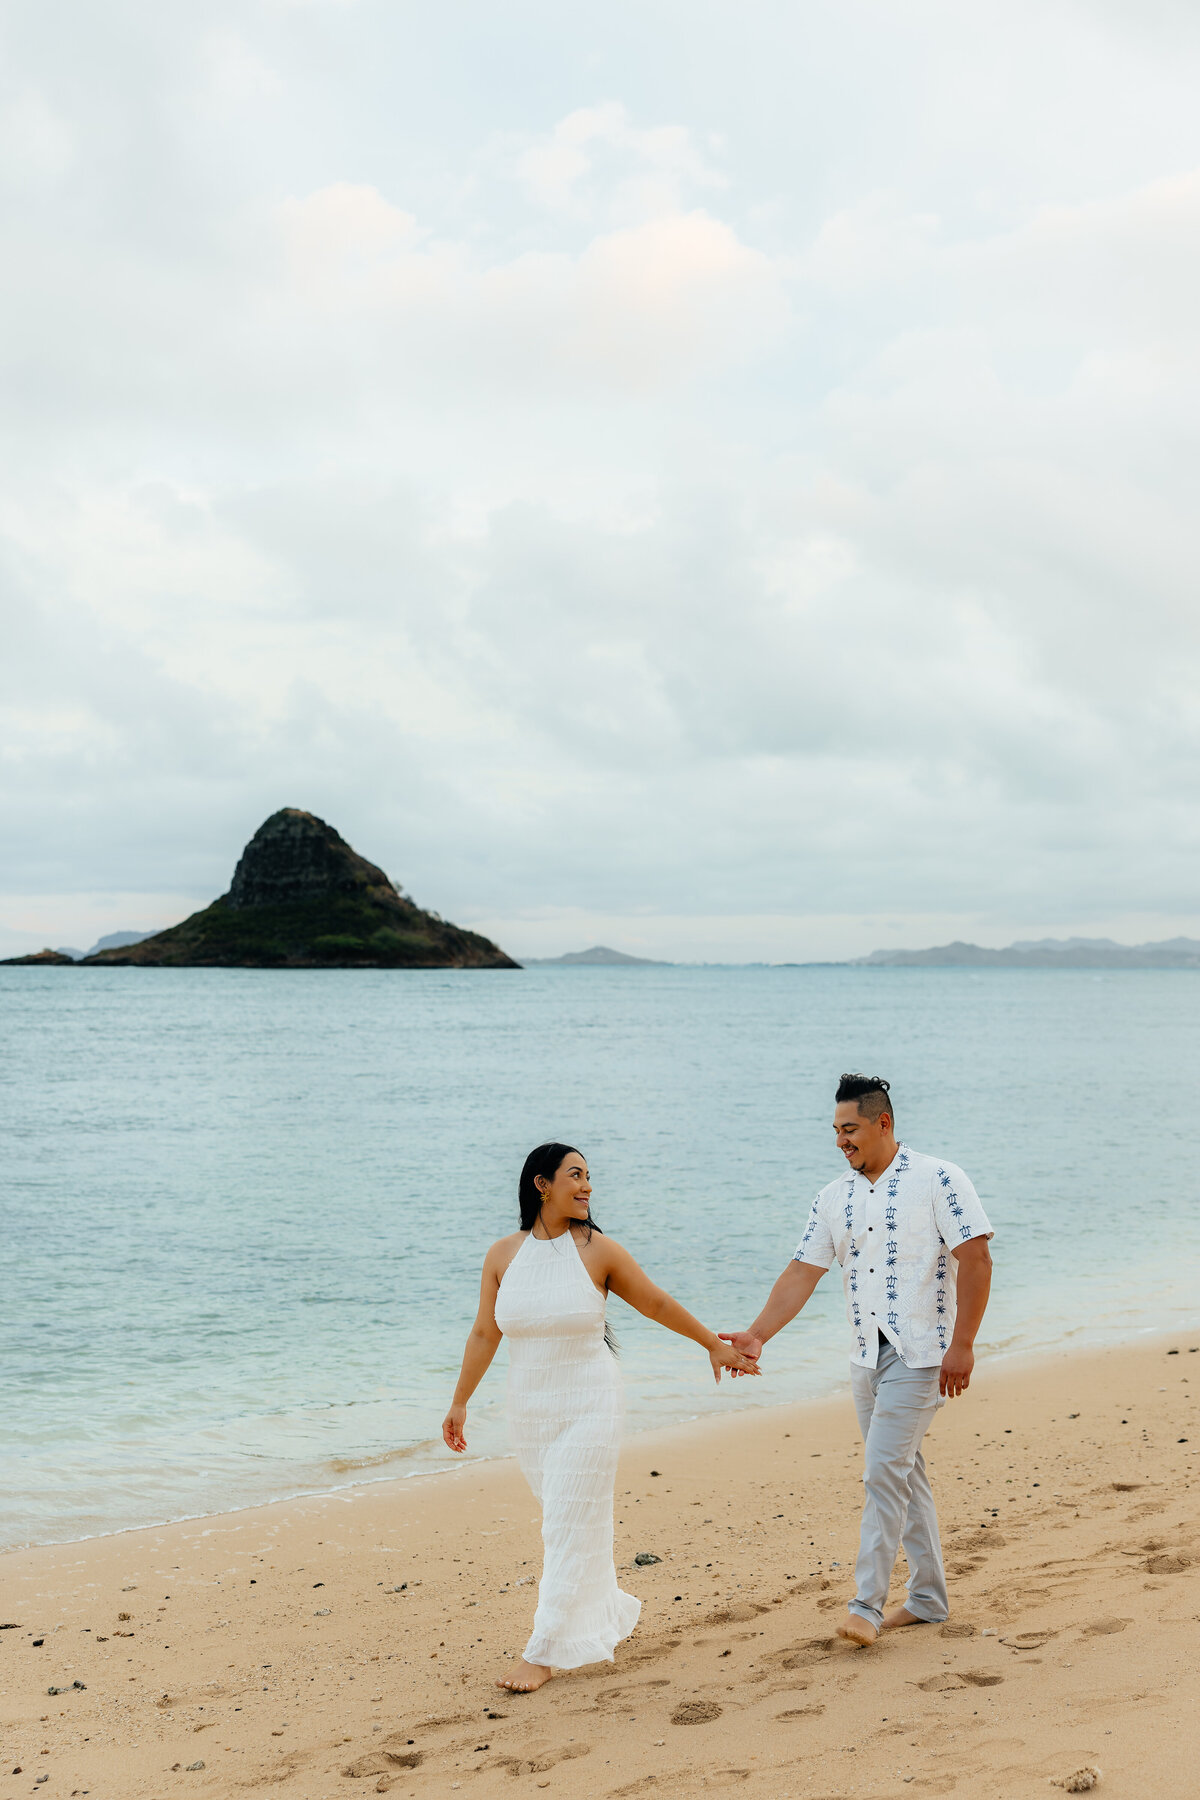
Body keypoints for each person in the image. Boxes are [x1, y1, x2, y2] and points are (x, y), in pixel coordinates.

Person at [442, 1142, 758, 1693]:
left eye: (589, 1177)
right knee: (573, 1521)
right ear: (542, 1184)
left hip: (592, 1404)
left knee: (563, 1522)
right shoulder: (503, 1255)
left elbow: (655, 1303)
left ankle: (541, 1651)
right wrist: (460, 1401)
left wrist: (713, 1343)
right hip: (531, 1414)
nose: (587, 1186)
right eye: (575, 1176)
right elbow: (484, 1333)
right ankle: (605, 1612)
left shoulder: (599, 1252)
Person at [721, 1074, 993, 1646]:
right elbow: (802, 1272)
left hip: (922, 1354)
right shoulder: (833, 1197)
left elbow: (976, 1257)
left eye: (850, 1130)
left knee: (882, 1474)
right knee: (902, 1473)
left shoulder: (938, 1178)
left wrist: (963, 1343)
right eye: (836, 1132)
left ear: (882, 1123)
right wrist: (757, 1334)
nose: (841, 1142)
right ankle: (927, 1599)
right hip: (865, 1358)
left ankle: (866, 1606)